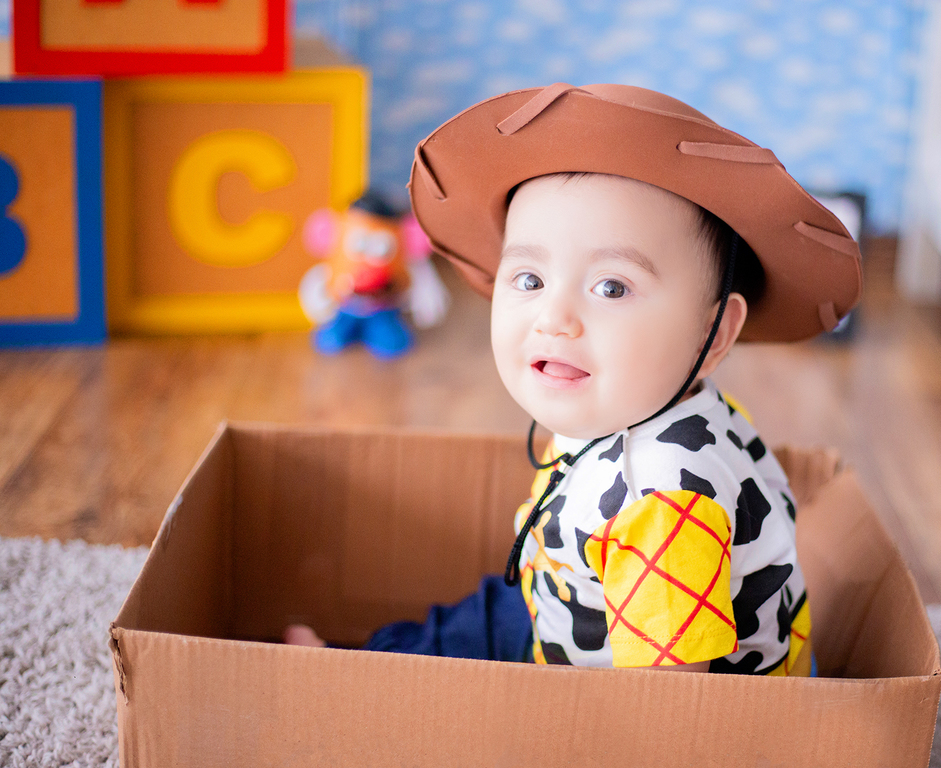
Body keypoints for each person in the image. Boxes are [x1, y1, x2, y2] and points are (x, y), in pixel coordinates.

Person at [287, 84, 861, 676]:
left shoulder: (663, 503)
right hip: (573, 598)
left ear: (712, 335)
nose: (554, 318)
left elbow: (676, 705)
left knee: (437, 685)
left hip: (619, 687)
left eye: (611, 287)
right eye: (530, 280)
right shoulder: (653, 402)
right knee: (464, 625)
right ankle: (356, 663)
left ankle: (344, 680)